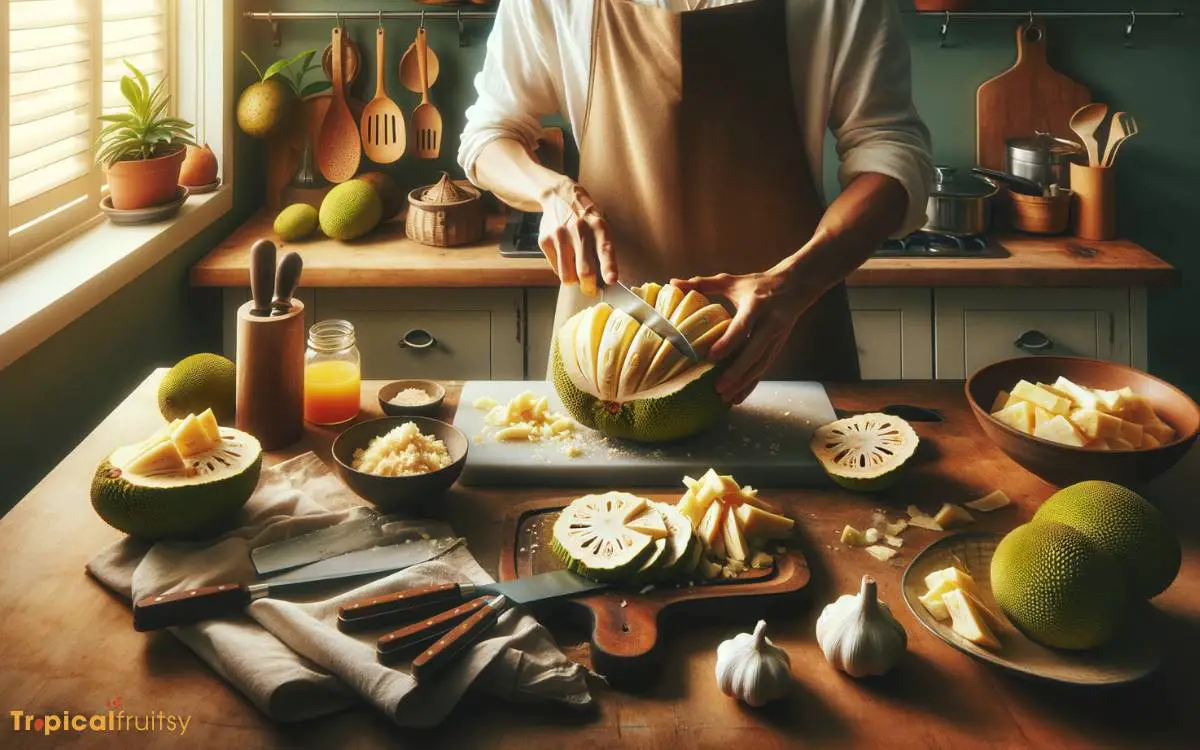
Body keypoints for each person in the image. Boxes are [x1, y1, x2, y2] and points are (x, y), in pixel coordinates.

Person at [459, 0, 933, 404]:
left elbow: (892, 151)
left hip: (785, 328)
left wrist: (794, 284)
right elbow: (489, 133)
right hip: (609, 345)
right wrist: (552, 192)